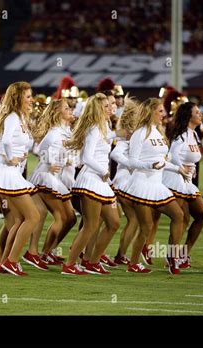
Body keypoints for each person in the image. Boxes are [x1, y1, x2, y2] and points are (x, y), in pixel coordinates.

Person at [62, 93, 126, 275]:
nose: (109, 108)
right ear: (97, 109)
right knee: (90, 225)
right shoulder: (94, 128)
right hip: (91, 179)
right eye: (105, 106)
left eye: (109, 105)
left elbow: (105, 139)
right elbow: (87, 157)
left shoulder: (104, 126)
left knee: (113, 222)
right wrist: (103, 171)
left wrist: (118, 133)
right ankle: (70, 264)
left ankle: (92, 261)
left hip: (101, 181)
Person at [122, 98, 187, 275]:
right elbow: (132, 161)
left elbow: (161, 161)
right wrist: (149, 166)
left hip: (157, 185)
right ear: (150, 111)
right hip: (141, 184)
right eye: (159, 111)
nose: (163, 114)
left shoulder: (159, 133)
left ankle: (172, 257)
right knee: (147, 226)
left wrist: (178, 169)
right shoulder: (140, 133)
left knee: (178, 215)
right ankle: (133, 263)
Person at [0, 81, 42, 276]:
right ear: (17, 98)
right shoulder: (12, 118)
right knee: (33, 217)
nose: (32, 100)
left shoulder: (20, 118)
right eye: (28, 97)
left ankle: (2, 262)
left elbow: (16, 143)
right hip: (7, 173)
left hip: (11, 172)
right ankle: (12, 261)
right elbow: (7, 141)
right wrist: (10, 158)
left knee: (17, 220)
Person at [29, 99, 77, 264]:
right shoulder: (54, 131)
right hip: (46, 177)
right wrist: (49, 163)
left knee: (70, 218)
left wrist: (69, 160)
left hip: (58, 178)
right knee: (61, 218)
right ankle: (42, 253)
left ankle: (48, 251)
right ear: (58, 113)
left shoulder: (67, 131)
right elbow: (39, 149)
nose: (70, 109)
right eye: (66, 108)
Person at [162, 102, 203, 268]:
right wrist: (181, 168)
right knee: (180, 218)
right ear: (189, 116)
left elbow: (189, 156)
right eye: (197, 112)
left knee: (202, 215)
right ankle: (171, 257)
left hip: (187, 181)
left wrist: (192, 168)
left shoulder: (194, 135)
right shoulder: (181, 134)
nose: (200, 114)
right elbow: (171, 155)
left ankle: (183, 253)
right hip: (175, 179)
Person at [110, 97, 140, 265]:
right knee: (133, 219)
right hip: (123, 182)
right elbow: (115, 154)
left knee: (131, 220)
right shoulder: (126, 136)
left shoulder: (135, 134)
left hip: (129, 182)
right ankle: (119, 255)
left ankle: (119, 255)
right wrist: (131, 164)